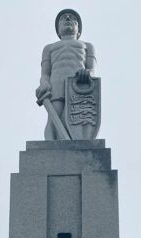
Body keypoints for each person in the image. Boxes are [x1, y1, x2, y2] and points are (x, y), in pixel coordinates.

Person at [35, 9, 97, 140]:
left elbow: (91, 69)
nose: (68, 19)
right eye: (63, 18)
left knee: (76, 120)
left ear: (78, 31)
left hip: (78, 87)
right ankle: (50, 146)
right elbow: (45, 73)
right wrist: (44, 83)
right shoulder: (49, 48)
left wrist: (88, 73)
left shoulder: (87, 46)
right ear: (58, 31)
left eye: (72, 18)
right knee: (54, 118)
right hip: (56, 84)